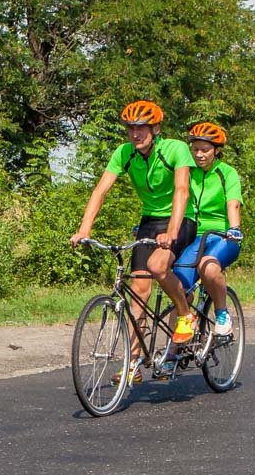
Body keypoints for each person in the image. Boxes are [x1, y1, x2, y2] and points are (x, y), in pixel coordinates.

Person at [70, 99, 199, 381]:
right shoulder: (124, 153)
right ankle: (133, 362)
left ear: (155, 129)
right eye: (131, 129)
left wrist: (173, 231)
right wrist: (84, 229)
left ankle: (185, 314)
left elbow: (181, 190)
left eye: (141, 128)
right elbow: (101, 190)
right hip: (149, 221)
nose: (135, 134)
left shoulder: (174, 149)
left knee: (158, 266)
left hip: (181, 219)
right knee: (138, 292)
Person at [171, 122, 243, 337]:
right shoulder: (188, 173)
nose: (200, 155)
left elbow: (233, 203)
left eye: (205, 150)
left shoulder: (226, 173)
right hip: (196, 235)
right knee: (179, 287)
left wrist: (234, 228)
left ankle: (222, 314)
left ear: (217, 150)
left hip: (223, 236)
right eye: (195, 150)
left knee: (208, 267)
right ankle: (171, 352)